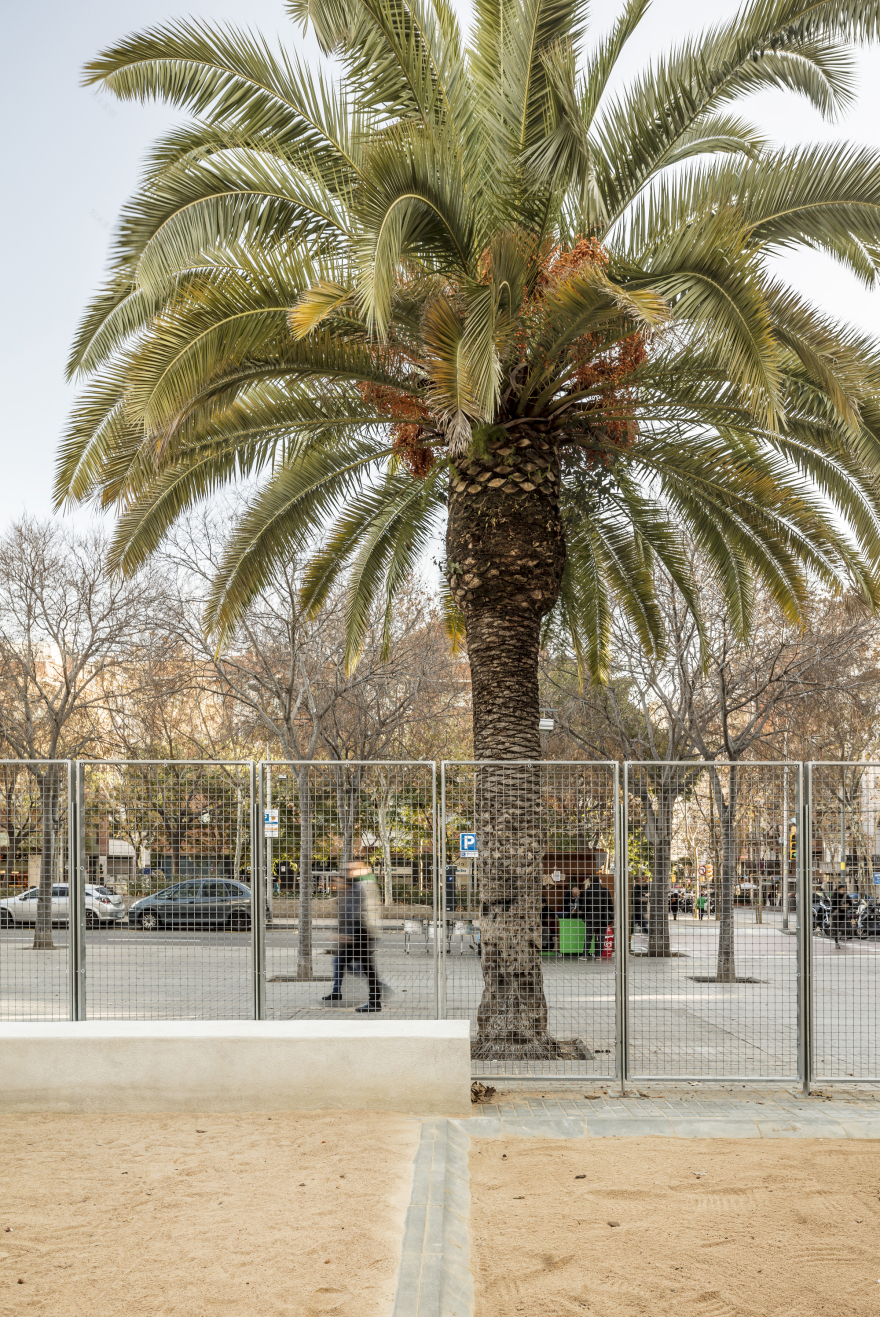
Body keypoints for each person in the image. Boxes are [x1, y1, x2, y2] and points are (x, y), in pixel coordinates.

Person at [322, 861, 383, 1011]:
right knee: (342, 962)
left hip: (361, 934)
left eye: (351, 869)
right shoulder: (351, 890)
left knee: (366, 968)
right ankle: (338, 992)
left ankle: (375, 1001)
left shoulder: (360, 887)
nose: (348, 871)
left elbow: (357, 913)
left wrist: (346, 936)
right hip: (356, 935)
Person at [579, 876, 614, 960]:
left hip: (590, 917)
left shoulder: (588, 891)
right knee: (601, 937)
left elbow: (584, 906)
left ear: (590, 881)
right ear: (599, 881)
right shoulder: (605, 891)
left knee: (588, 937)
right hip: (603, 917)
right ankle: (598, 955)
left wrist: (583, 918)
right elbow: (610, 906)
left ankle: (585, 955)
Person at [828, 882, 849, 949]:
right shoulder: (835, 896)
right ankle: (836, 942)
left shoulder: (846, 896)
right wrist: (842, 907)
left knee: (845, 926)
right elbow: (834, 906)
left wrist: (846, 906)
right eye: (842, 889)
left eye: (844, 890)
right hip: (836, 915)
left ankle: (842, 936)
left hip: (843, 915)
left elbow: (850, 904)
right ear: (838, 889)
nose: (843, 891)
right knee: (837, 929)